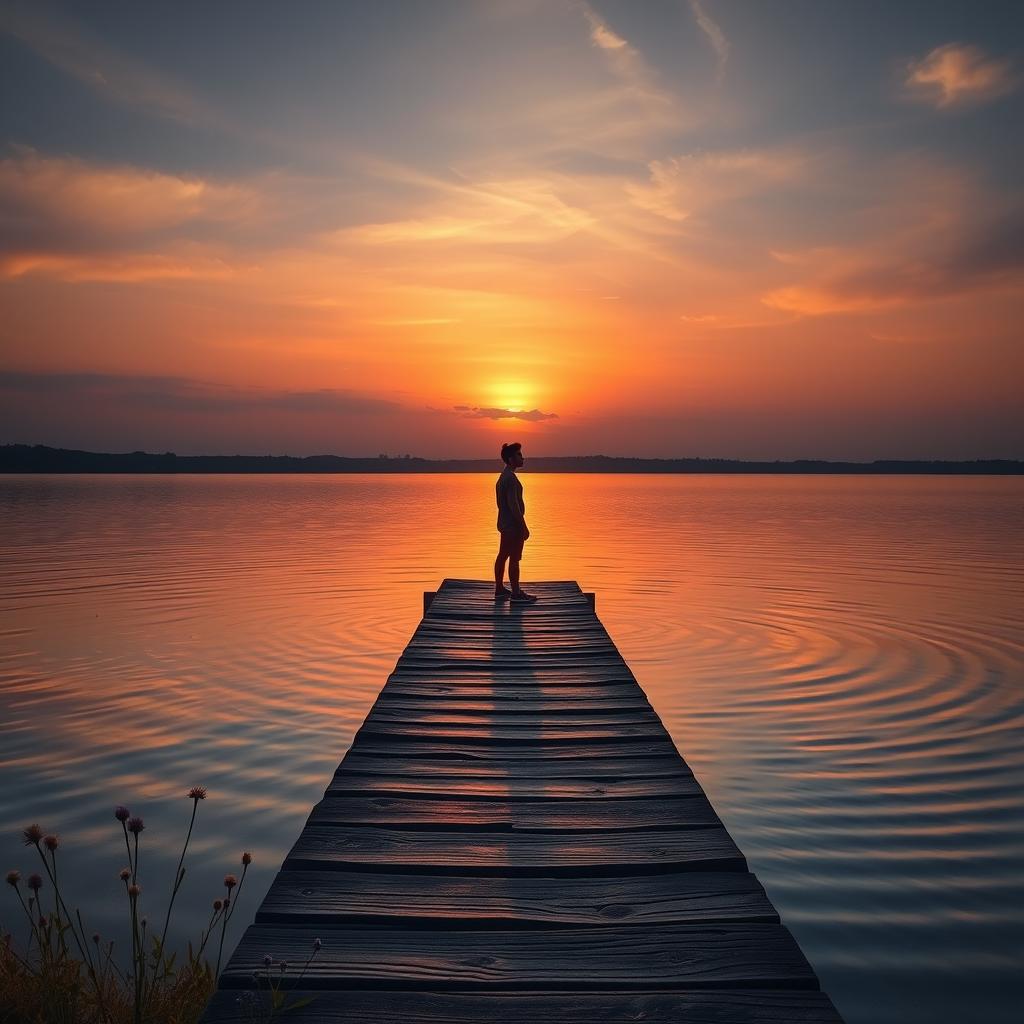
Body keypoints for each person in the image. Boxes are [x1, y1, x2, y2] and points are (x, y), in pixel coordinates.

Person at [494, 442, 537, 602]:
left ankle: (499, 589)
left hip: (504, 524)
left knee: (503, 555)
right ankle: (516, 593)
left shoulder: (503, 476)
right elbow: (513, 505)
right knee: (514, 558)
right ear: (511, 460)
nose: (522, 457)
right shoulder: (510, 479)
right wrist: (523, 527)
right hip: (512, 526)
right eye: (519, 455)